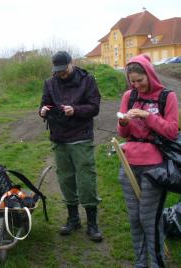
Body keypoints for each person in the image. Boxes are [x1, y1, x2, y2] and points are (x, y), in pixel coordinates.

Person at [117, 54, 179, 268]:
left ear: (149, 75)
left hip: (155, 165)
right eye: (132, 81)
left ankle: (156, 262)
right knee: (134, 218)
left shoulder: (167, 97)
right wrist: (123, 122)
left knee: (149, 219)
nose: (136, 85)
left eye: (140, 80)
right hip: (129, 164)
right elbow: (123, 134)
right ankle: (140, 262)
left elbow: (171, 131)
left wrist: (146, 116)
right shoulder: (129, 96)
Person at [39, 51, 103, 242]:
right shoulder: (50, 83)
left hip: (81, 138)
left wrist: (75, 110)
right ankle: (73, 219)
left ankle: (92, 223)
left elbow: (95, 107)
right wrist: (42, 111)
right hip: (59, 139)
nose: (61, 74)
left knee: (86, 180)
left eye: (63, 69)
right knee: (66, 179)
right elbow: (44, 105)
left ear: (71, 63)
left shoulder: (87, 80)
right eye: (57, 71)